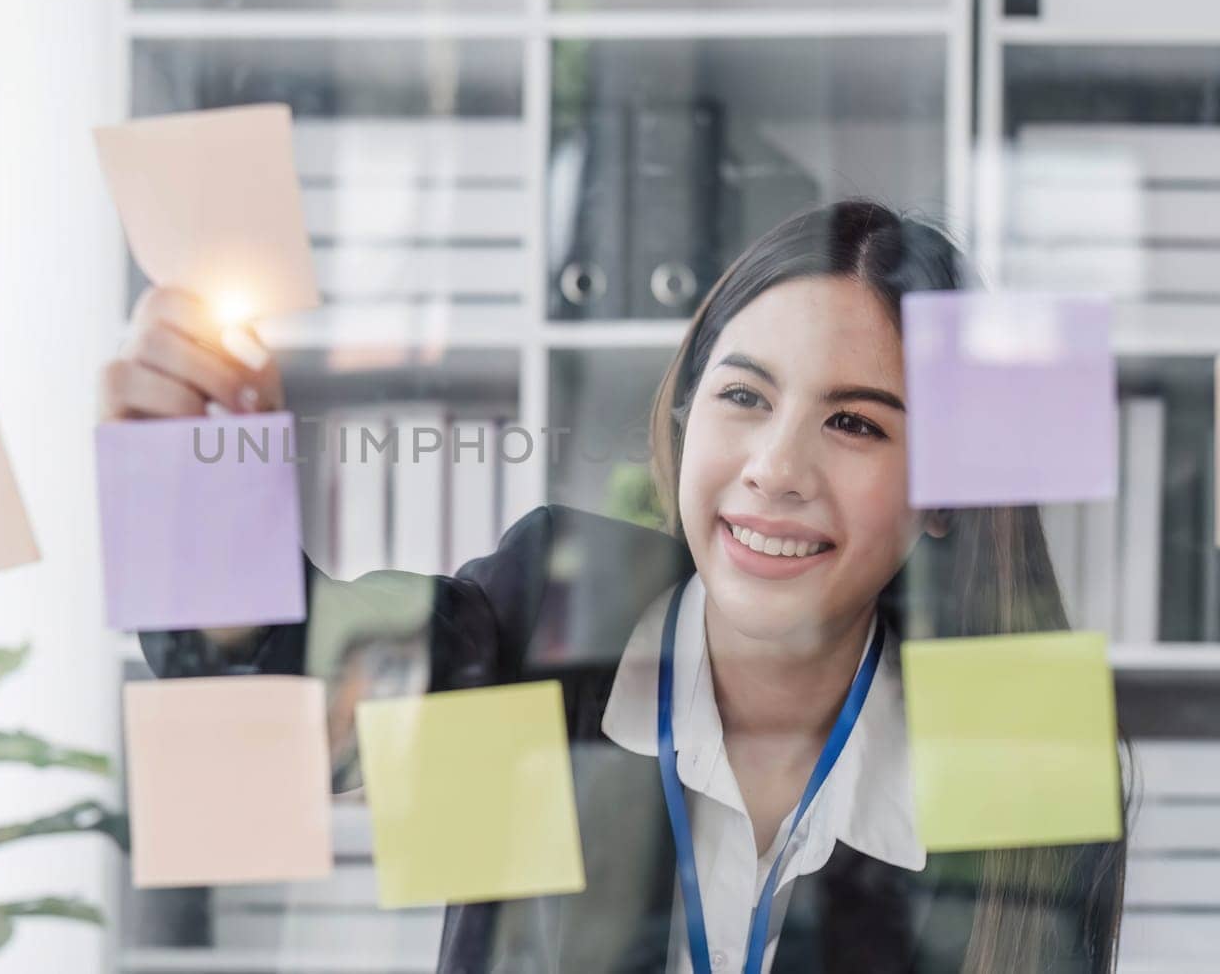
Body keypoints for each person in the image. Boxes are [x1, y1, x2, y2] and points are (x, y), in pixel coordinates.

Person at [100, 200, 1127, 973]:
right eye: (742, 396)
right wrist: (197, 482)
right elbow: (281, 706)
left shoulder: (1023, 758)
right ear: (685, 421)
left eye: (854, 422)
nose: (775, 466)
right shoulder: (559, 628)